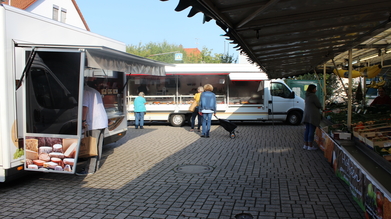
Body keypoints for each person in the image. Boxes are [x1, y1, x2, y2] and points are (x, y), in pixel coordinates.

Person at [77, 83, 108, 175]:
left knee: (91, 147)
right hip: (101, 122)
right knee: (98, 147)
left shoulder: (85, 92)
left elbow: (84, 107)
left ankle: (89, 170)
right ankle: (95, 167)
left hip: (94, 122)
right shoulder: (94, 91)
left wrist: (83, 120)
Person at [303, 84, 322, 151]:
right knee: (311, 130)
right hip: (312, 115)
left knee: (307, 130)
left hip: (307, 114)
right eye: (315, 89)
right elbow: (318, 105)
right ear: (312, 89)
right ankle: (310, 146)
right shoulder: (313, 96)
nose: (316, 90)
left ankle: (305, 145)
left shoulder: (307, 95)